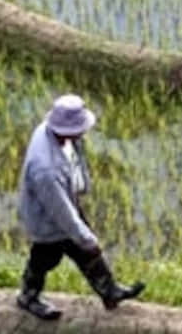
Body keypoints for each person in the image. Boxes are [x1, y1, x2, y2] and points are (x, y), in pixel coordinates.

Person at [15, 95, 144, 322]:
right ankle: (28, 296)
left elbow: (75, 164)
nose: (84, 132)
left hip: (65, 201)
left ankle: (109, 291)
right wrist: (84, 236)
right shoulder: (46, 169)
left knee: (86, 251)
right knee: (46, 258)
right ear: (66, 130)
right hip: (48, 218)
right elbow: (60, 211)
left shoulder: (54, 132)